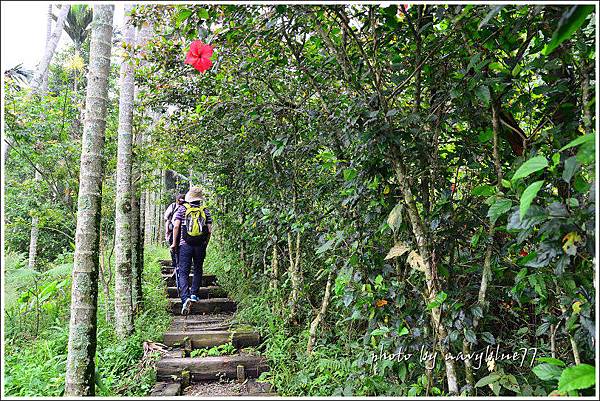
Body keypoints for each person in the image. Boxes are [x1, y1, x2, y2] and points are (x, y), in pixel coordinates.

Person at [170, 186, 213, 315]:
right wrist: (205, 243)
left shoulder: (182, 209)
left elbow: (176, 225)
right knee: (198, 269)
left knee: (183, 271)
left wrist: (174, 243)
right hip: (200, 245)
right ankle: (194, 294)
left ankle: (185, 298)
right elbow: (209, 230)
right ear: (200, 199)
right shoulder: (205, 211)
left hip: (185, 245)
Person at [164, 194, 185, 268]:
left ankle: (179, 263)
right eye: (180, 199)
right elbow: (167, 218)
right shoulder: (173, 206)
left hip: (182, 229)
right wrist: (167, 230)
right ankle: (175, 263)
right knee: (173, 246)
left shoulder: (185, 207)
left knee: (180, 246)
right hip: (173, 228)